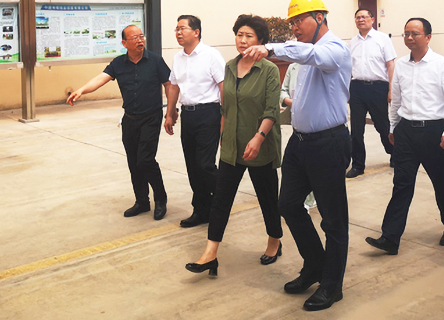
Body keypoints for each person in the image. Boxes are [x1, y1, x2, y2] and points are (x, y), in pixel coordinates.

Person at [244, 0, 351, 312]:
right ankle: (315, 264)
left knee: (333, 219)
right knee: (288, 205)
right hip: (300, 142)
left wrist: (271, 48)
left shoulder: (334, 49)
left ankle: (332, 285)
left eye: (298, 20)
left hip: (328, 143)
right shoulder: (305, 54)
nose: (294, 27)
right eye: (291, 23)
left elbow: (314, 55)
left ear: (319, 17)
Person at [185, 14, 283, 276]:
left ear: (260, 40)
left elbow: (272, 110)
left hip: (259, 145)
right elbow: (225, 108)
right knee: (221, 200)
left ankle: (274, 240)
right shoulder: (229, 67)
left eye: (249, 35)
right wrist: (222, 138)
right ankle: (210, 253)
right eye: (239, 34)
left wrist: (258, 137)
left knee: (267, 198)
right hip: (231, 146)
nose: (243, 40)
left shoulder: (269, 70)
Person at [365, 18, 444, 255]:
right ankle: (390, 238)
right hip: (406, 132)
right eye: (406, 33)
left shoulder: (442, 65)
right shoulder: (401, 65)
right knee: (402, 184)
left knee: (441, 182)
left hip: (433, 132)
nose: (409, 38)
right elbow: (396, 100)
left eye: (415, 33)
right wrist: (392, 127)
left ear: (428, 37)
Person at [67, 25, 170, 220]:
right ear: (124, 43)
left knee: (145, 159)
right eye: (134, 38)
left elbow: (169, 84)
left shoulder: (155, 61)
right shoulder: (118, 63)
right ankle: (142, 201)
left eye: (141, 36)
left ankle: (161, 198)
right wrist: (81, 90)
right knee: (133, 162)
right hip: (130, 119)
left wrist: (171, 112)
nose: (140, 40)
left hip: (151, 117)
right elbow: (101, 78)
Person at [164, 15, 225, 228]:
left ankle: (223, 200)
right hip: (188, 115)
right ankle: (201, 210)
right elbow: (173, 86)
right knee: (192, 166)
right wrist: (170, 113)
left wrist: (225, 118)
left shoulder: (211, 55)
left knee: (205, 165)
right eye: (177, 29)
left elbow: (223, 86)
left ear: (196, 32)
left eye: (183, 28)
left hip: (209, 113)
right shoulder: (178, 58)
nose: (178, 33)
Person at [346, 8, 396, 178]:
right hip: (357, 88)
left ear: (372, 19)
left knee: (382, 125)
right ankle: (358, 165)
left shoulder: (382, 39)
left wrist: (391, 89)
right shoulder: (353, 42)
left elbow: (391, 65)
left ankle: (394, 153)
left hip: (378, 88)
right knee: (356, 129)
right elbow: (349, 68)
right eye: (357, 17)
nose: (361, 20)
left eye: (364, 17)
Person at [280, 63, 316, 210]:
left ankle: (310, 200)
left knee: (312, 166)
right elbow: (283, 90)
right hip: (297, 125)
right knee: (294, 166)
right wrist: (289, 101)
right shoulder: (292, 67)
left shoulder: (317, 65)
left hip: (316, 126)